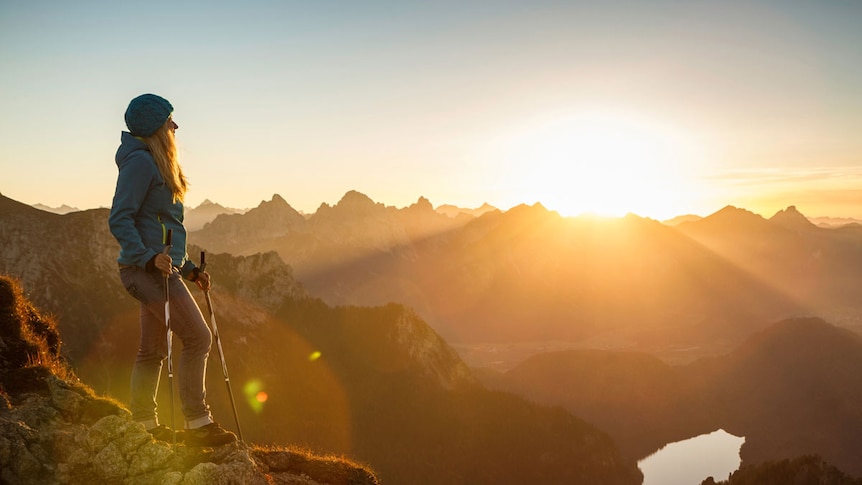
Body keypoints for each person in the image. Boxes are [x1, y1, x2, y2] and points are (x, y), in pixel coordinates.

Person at [109, 93, 237, 446]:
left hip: (160, 269)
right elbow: (120, 218)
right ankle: (198, 425)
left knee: (152, 350)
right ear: (155, 126)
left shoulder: (154, 161)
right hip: (147, 271)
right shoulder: (141, 164)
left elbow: (162, 225)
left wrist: (190, 269)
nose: (175, 125)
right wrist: (148, 257)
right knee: (199, 338)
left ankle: (142, 424)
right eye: (169, 120)